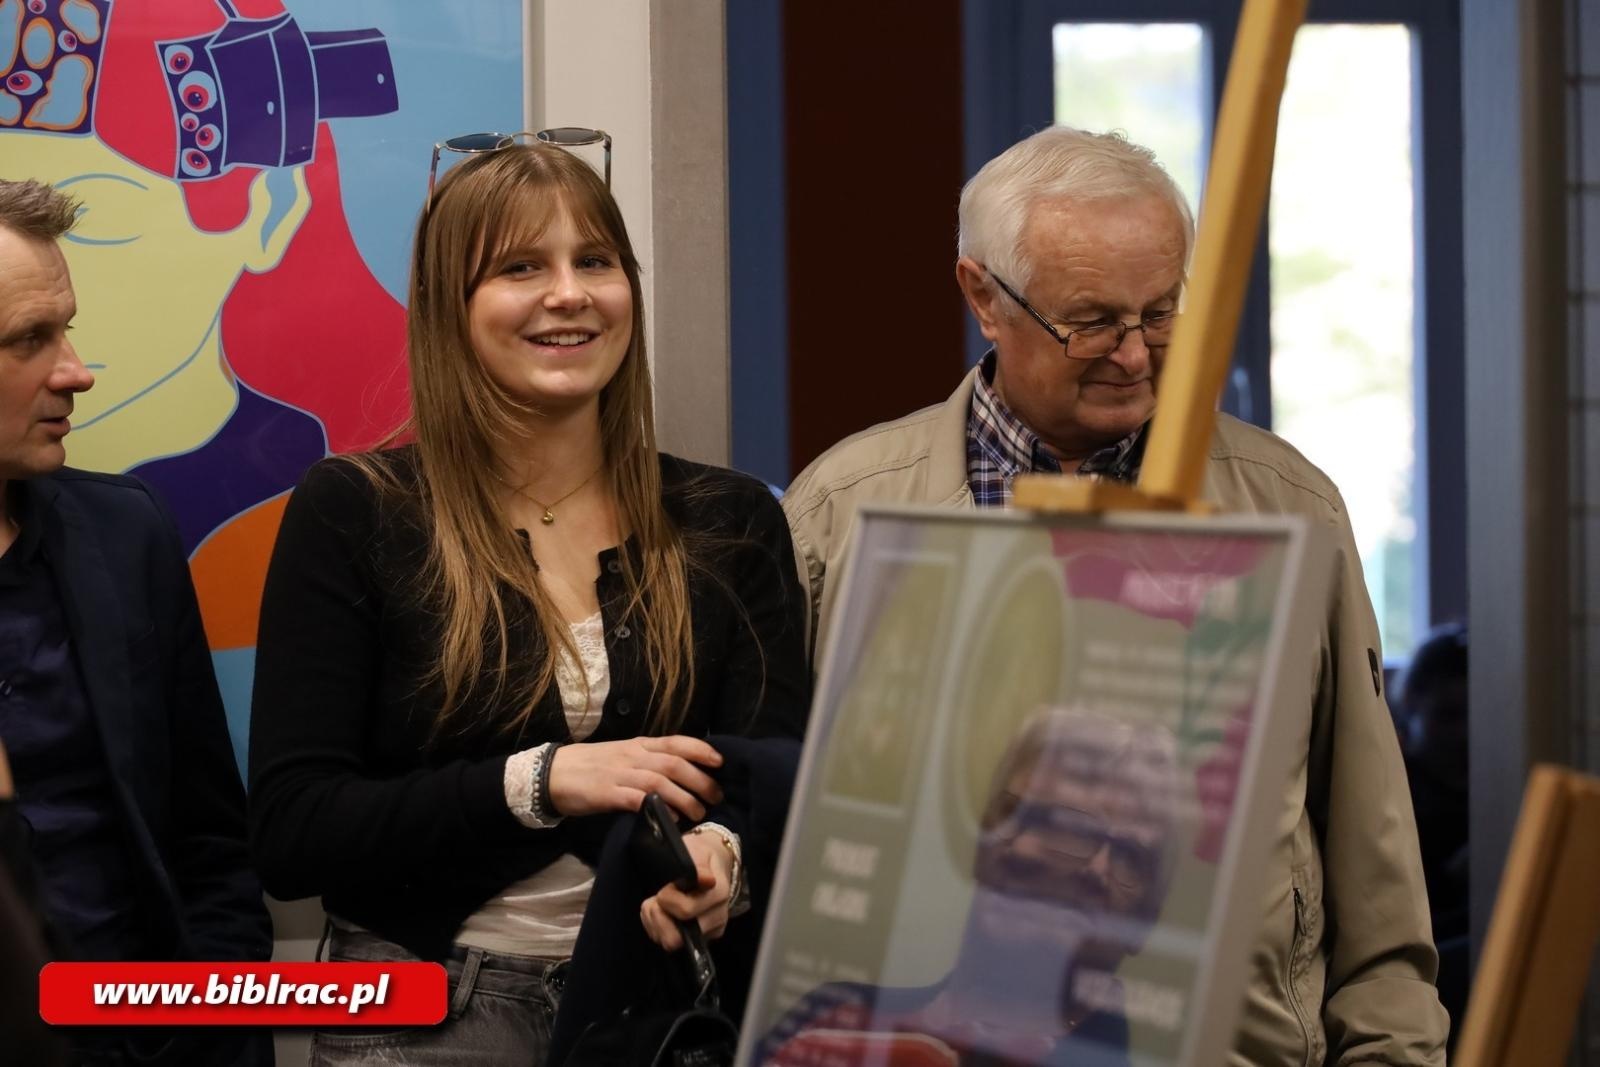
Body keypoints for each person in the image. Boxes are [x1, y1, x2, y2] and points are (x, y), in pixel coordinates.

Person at [783, 127, 1449, 1064]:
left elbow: (1377, 863)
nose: (1137, 356)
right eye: (1091, 320)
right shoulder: (841, 515)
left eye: (1164, 312)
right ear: (982, 295)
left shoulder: (1291, 507)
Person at [248, 141, 810, 1064]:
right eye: (521, 267)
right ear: (448, 307)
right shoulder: (356, 510)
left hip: (663, 1005)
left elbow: (773, 776)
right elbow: (294, 830)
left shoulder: (731, 519)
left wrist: (723, 862)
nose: (569, 293)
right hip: (426, 1007)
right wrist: (541, 782)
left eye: (595, 261)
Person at [0, 178, 274, 1063]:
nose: (75, 369)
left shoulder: (125, 533)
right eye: (29, 340)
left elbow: (209, 844)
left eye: (66, 327)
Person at [760, 709, 1180, 1067]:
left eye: (1130, 857)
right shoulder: (840, 1019)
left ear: (1148, 915)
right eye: (1064, 826)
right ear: (991, 837)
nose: (1098, 867)